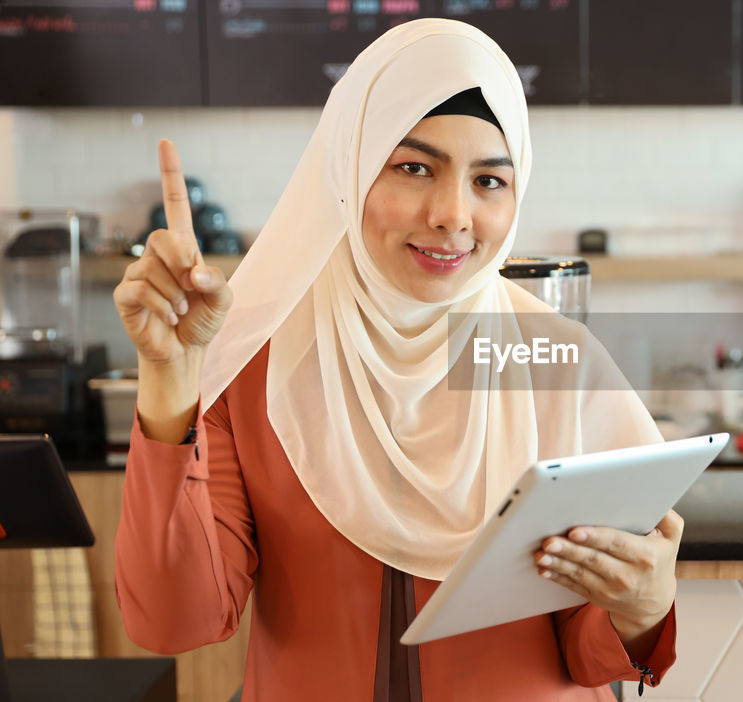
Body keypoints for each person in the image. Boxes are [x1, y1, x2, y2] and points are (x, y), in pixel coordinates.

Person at [112, 20, 678, 701]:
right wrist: (172, 386)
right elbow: (176, 622)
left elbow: (591, 653)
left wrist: (641, 610)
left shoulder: (558, 361)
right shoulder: (261, 367)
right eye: (414, 167)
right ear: (350, 170)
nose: (452, 214)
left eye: (489, 180)